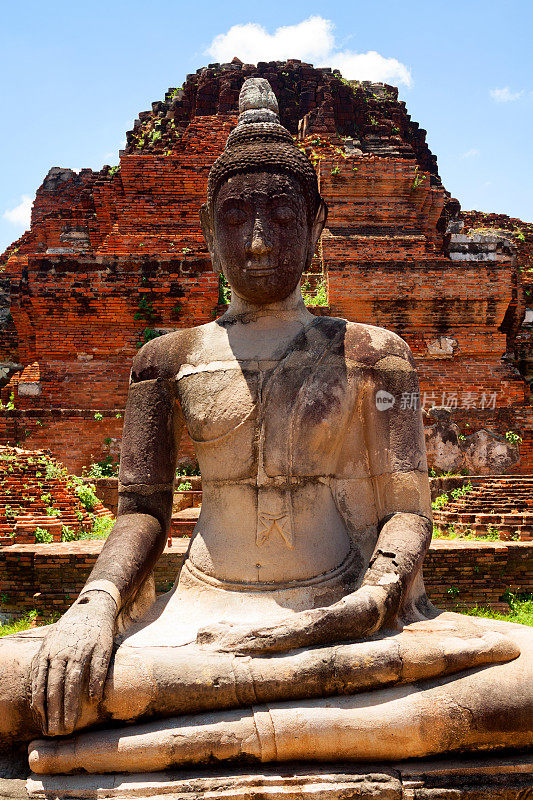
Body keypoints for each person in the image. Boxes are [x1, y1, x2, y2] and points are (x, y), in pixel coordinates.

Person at [1, 79, 531, 778]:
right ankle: (301, 724)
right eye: (235, 218)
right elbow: (140, 513)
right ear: (206, 226)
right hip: (197, 616)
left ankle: (165, 740)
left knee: (519, 688)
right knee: (16, 682)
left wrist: (373, 598)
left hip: (344, 613)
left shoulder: (373, 353)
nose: (257, 242)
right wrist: (93, 608)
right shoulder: (166, 359)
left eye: (282, 216)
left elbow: (405, 511)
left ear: (315, 224)